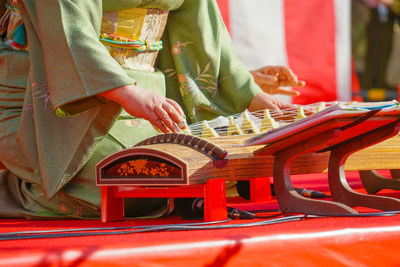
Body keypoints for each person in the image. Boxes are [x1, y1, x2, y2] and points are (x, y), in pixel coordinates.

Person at [0, 0, 304, 218]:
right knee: (121, 181)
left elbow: (203, 32)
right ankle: (13, 189)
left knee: (195, 163)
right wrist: (126, 92)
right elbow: (70, 32)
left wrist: (250, 92)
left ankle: (189, 193)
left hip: (148, 98)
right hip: (49, 99)